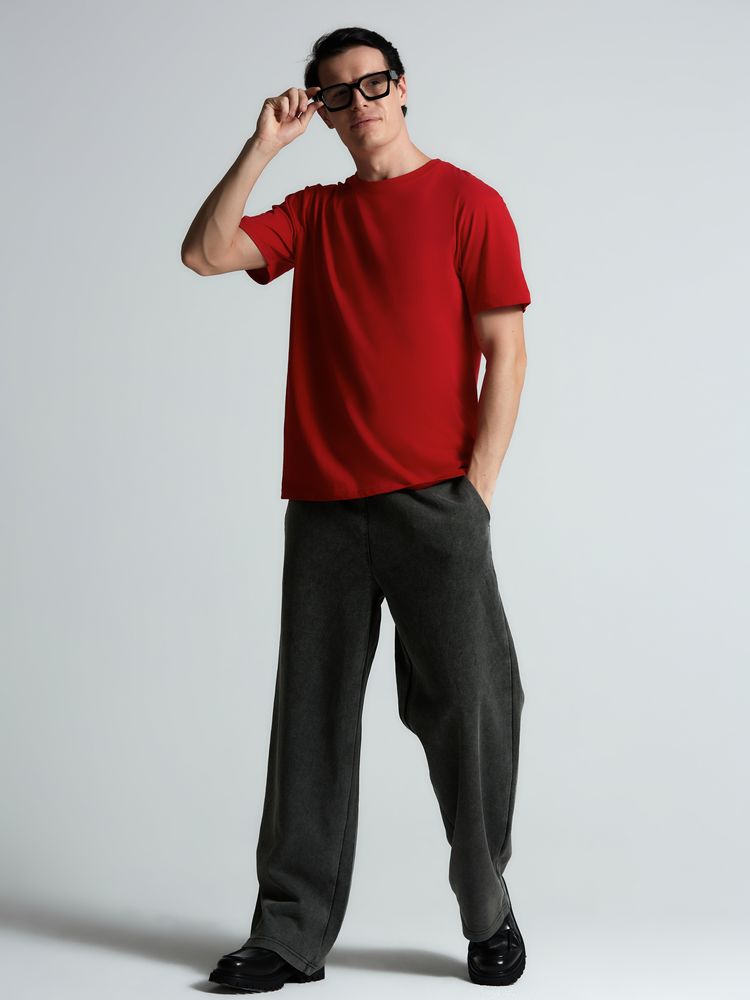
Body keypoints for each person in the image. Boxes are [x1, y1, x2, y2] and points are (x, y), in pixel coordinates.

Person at [181, 25, 531, 992]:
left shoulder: (468, 202)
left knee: (475, 708)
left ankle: (487, 909)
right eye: (338, 93)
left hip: (436, 503)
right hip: (326, 508)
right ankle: (289, 935)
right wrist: (262, 146)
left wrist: (475, 495)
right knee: (311, 718)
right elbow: (204, 253)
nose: (361, 102)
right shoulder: (316, 213)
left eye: (373, 83)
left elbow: (506, 352)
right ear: (324, 113)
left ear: (402, 88)